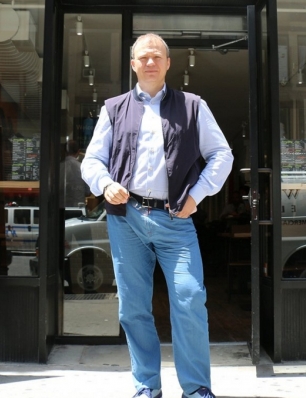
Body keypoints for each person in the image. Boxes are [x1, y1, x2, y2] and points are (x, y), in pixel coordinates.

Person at [81, 33, 234, 398]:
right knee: (133, 307)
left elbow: (222, 155)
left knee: (189, 297)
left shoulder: (193, 105)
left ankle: (196, 388)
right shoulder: (113, 108)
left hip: (175, 218)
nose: (150, 62)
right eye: (144, 57)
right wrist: (105, 184)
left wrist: (197, 195)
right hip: (127, 218)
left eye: (157, 57)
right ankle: (146, 385)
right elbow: (92, 160)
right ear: (133, 64)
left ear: (168, 63)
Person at [61, 139, 90, 211]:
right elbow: (88, 192)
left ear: (64, 151)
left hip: (61, 208)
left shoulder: (57, 168)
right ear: (78, 152)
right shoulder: (83, 167)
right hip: (78, 209)